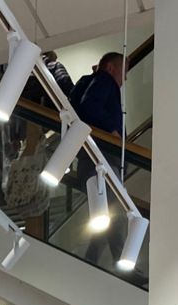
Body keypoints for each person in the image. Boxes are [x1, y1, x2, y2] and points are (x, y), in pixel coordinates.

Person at [71, 52, 126, 266]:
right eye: (124, 70)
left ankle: (93, 261)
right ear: (111, 68)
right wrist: (113, 131)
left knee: (106, 213)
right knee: (115, 212)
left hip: (88, 158)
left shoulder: (86, 82)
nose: (126, 78)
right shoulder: (104, 81)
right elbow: (89, 106)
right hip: (103, 157)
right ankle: (117, 261)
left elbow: (77, 106)